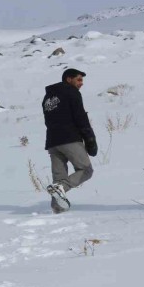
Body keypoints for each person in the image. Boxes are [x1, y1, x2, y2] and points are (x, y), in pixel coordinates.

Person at [42, 68, 97, 212]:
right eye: (78, 79)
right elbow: (80, 116)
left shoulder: (47, 98)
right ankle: (62, 188)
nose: (81, 83)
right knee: (86, 170)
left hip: (52, 142)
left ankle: (58, 209)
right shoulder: (71, 92)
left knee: (58, 179)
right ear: (69, 79)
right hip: (70, 139)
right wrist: (90, 138)